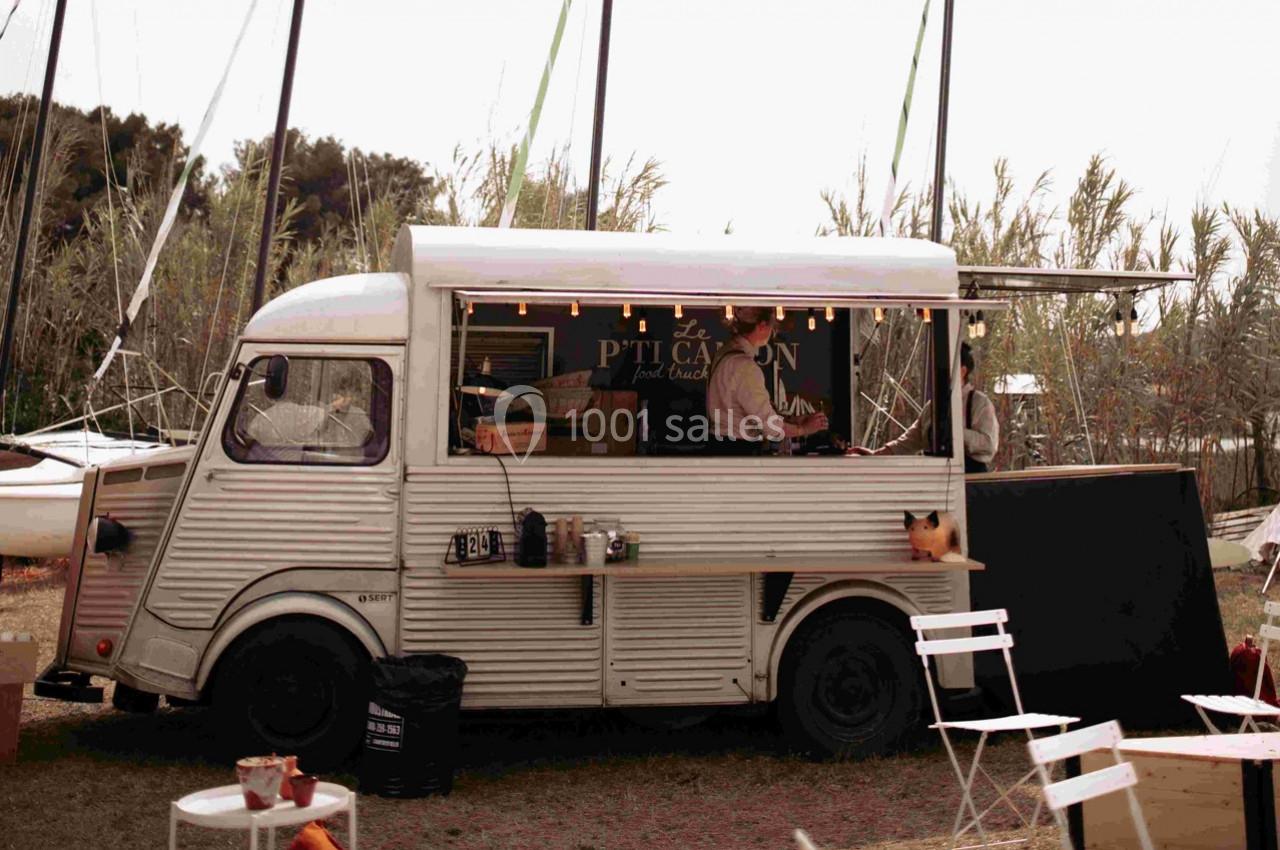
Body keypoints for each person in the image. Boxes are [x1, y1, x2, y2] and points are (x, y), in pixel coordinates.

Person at [851, 341, 998, 472]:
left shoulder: (979, 403)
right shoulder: (932, 406)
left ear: (962, 371)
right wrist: (875, 455)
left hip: (970, 481)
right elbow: (908, 442)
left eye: (944, 366)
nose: (938, 371)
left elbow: (988, 444)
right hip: (937, 478)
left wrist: (953, 432)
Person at [705, 306, 828, 454]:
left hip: (719, 446)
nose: (773, 332)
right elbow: (769, 427)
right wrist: (803, 429)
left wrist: (792, 421)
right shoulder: (745, 366)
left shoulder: (722, 354)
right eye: (773, 327)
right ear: (762, 326)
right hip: (738, 450)